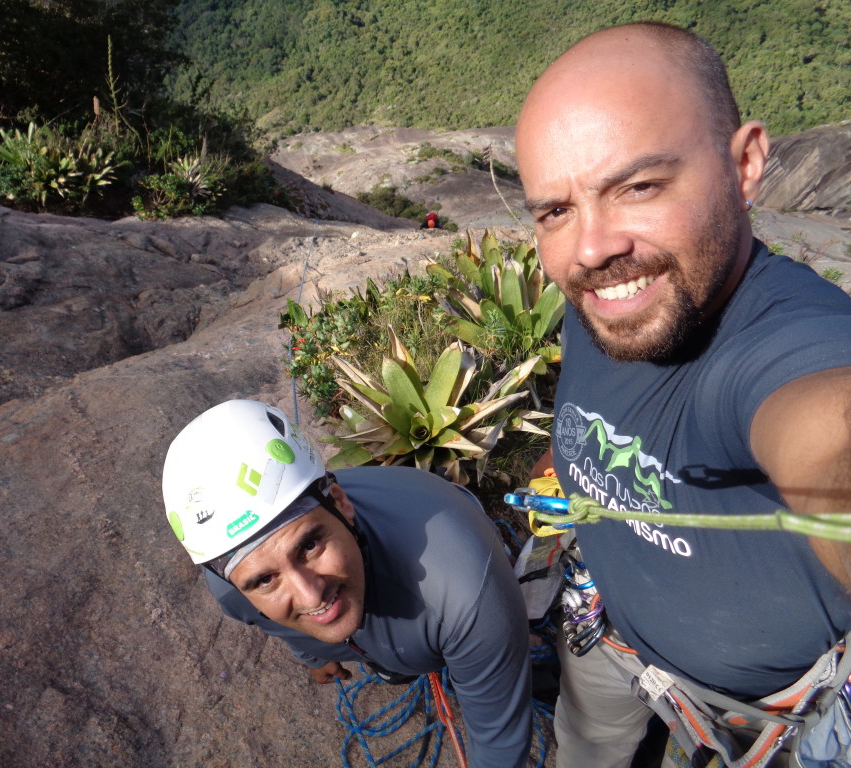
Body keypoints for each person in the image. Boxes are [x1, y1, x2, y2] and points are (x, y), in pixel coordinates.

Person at [514, 21, 851, 768]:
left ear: (746, 164)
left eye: (638, 186)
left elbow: (827, 436)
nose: (593, 247)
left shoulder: (786, 342)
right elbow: (592, 407)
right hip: (606, 634)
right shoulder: (602, 297)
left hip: (755, 721)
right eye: (555, 212)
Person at [161, 399, 533, 768]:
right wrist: (315, 656)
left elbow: (499, 744)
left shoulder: (467, 596)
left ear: (340, 503)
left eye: (308, 546)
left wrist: (478, 652)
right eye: (264, 580)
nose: (310, 594)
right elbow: (280, 623)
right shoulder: (231, 590)